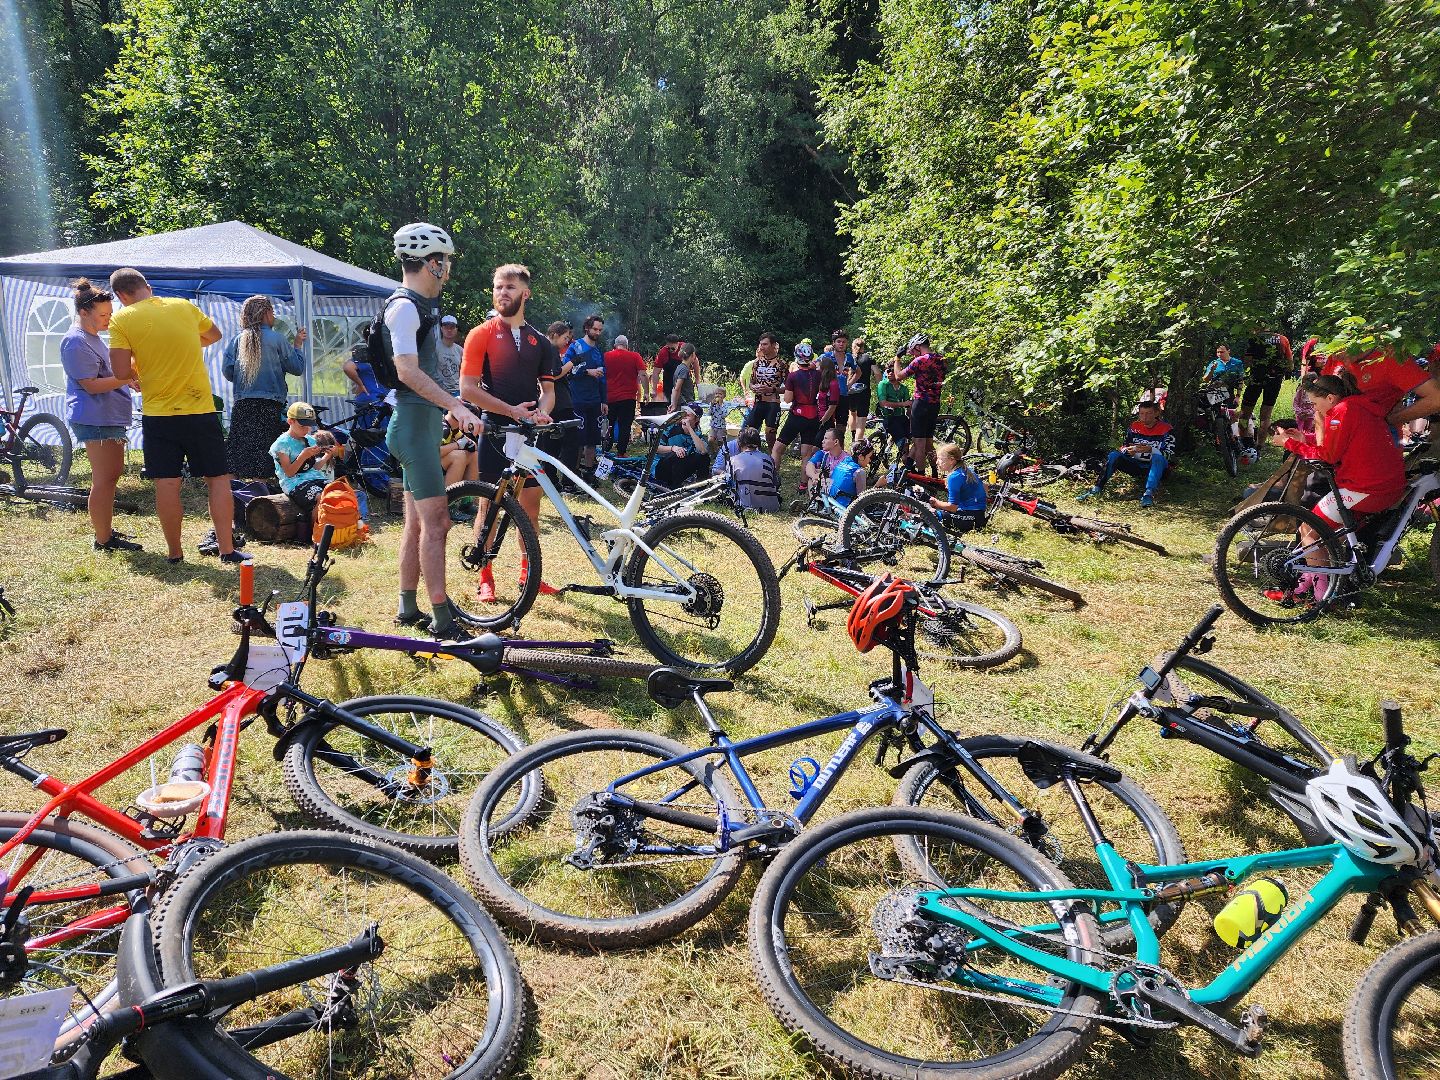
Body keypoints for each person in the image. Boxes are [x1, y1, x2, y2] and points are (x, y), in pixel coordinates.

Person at [381, 223, 485, 637]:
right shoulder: (405, 308)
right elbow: (406, 371)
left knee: (417, 524)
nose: (449, 269)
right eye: (446, 261)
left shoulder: (422, 307)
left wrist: (448, 408)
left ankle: (407, 608)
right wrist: (454, 405)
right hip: (411, 427)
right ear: (432, 263)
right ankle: (442, 619)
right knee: (438, 523)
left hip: (421, 426)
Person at [107, 267, 249, 565]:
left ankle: (174, 553)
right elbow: (214, 335)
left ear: (121, 296)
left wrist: (139, 361)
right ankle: (226, 550)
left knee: (167, 483)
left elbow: (120, 372)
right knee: (217, 479)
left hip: (159, 414)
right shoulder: (183, 305)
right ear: (147, 286)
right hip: (200, 409)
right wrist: (184, 344)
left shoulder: (122, 319)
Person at [459, 263, 558, 604]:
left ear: (525, 293)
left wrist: (542, 411)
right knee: (488, 507)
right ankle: (485, 576)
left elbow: (548, 391)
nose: (502, 293)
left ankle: (528, 574)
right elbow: (467, 389)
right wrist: (511, 410)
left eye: (510, 287)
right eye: (498, 287)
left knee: (530, 509)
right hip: (495, 431)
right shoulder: (480, 334)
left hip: (528, 433)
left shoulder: (540, 341)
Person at [1266, 373, 1406, 602]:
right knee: (1327, 535)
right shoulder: (1359, 407)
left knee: (1309, 530)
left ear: (1330, 398)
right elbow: (1339, 444)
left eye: (1314, 403)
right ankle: (1308, 586)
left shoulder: (1342, 411)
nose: (1314, 409)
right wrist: (1304, 439)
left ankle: (1319, 597)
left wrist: (1289, 443)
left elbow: (1328, 456)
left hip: (1365, 488)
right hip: (1383, 486)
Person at [59, 278, 140, 553]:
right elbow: (91, 385)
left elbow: (106, 375)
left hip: (106, 416)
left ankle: (105, 531)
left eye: (110, 314)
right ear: (84, 312)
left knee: (109, 477)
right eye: (103, 315)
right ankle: (103, 539)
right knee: (104, 479)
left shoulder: (91, 338)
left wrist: (127, 379)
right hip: (95, 418)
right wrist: (125, 378)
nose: (109, 319)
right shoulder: (75, 341)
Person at [222, 294, 306, 480]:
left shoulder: (238, 340)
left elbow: (228, 371)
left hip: (244, 403)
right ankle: (258, 492)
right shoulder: (277, 339)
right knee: (264, 452)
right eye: (273, 312)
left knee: (237, 451)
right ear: (266, 313)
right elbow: (297, 368)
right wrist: (297, 346)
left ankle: (232, 492)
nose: (274, 316)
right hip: (270, 405)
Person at [1078, 399, 1174, 508]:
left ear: (1156, 413)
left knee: (1158, 458)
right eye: (1142, 414)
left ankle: (1148, 494)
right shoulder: (1134, 427)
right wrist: (1128, 451)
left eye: (1149, 413)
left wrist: (1151, 449)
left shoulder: (1166, 429)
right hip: (1136, 464)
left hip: (1157, 467)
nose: (1145, 417)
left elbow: (1169, 455)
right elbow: (1124, 446)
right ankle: (1097, 488)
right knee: (1114, 455)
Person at [270, 402, 336, 514]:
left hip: (315, 478)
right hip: (293, 483)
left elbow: (313, 467)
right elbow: (289, 473)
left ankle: (337, 523)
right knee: (321, 497)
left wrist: (327, 456)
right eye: (302, 426)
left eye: (309, 426)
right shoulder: (282, 444)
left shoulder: (310, 440)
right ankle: (316, 525)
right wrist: (303, 456)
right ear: (290, 421)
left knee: (338, 492)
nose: (306, 429)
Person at [893, 333, 947, 472]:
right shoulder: (941, 359)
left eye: (913, 350)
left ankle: (921, 477)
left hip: (921, 403)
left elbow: (898, 376)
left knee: (919, 444)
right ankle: (934, 473)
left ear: (918, 347)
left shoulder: (920, 361)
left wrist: (897, 358)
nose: (912, 353)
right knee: (929, 442)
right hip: (935, 404)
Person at [1238, 329, 1292, 463]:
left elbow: (1248, 361)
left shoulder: (1255, 338)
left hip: (1256, 379)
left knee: (1244, 413)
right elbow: (1290, 363)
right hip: (1274, 380)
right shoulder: (1283, 339)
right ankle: (1259, 447)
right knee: (1266, 416)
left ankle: (1243, 443)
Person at [563, 314, 608, 476]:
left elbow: (603, 378)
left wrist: (604, 400)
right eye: (595, 329)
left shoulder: (598, 351)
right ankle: (573, 474)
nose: (597, 333)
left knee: (593, 439)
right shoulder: (575, 347)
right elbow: (566, 371)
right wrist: (587, 372)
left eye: (600, 330)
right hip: (577, 400)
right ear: (587, 328)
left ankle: (589, 471)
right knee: (578, 439)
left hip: (595, 400)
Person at [772, 342, 823, 472]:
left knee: (777, 449)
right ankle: (803, 482)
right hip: (813, 416)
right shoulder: (818, 374)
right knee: (806, 454)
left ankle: (773, 479)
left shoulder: (793, 376)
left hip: (797, 415)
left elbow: (788, 399)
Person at [544, 321, 581, 490]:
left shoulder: (545, 349)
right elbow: (555, 374)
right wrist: (573, 362)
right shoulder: (551, 348)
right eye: (565, 338)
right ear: (554, 335)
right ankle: (568, 482)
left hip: (553, 403)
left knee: (552, 442)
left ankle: (551, 479)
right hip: (560, 403)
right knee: (571, 442)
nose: (567, 341)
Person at [927, 443, 986, 533]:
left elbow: (952, 507)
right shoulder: (966, 469)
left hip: (972, 519)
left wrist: (936, 502)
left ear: (951, 460)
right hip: (979, 515)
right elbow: (985, 487)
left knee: (931, 514)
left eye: (940, 459)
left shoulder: (954, 477)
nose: (937, 462)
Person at [603, 333, 646, 455]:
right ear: (627, 346)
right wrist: (647, 392)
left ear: (615, 345)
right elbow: (643, 374)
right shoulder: (635, 356)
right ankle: (621, 452)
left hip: (609, 398)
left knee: (609, 424)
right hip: (628, 398)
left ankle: (606, 448)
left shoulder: (606, 356)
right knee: (625, 425)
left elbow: (600, 376)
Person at [724, 426, 780, 511]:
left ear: (739, 443)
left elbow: (728, 484)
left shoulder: (733, 460)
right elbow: (775, 483)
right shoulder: (769, 459)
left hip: (746, 506)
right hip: (772, 507)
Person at [743, 332, 785, 445]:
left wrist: (771, 389)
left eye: (765, 344)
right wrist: (753, 387)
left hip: (773, 403)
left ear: (773, 345)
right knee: (749, 433)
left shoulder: (781, 364)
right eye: (761, 344)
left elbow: (789, 388)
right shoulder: (757, 362)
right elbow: (751, 382)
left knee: (770, 435)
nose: (762, 347)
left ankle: (773, 455)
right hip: (758, 402)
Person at [653, 404, 709, 488]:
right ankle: (674, 488)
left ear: (696, 419)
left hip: (680, 468)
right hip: (661, 468)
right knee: (677, 454)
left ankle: (701, 488)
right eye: (683, 414)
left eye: (688, 415)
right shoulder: (670, 429)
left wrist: (689, 429)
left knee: (704, 457)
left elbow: (703, 451)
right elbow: (655, 448)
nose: (684, 417)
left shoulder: (697, 434)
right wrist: (673, 448)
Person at [828, 438, 874, 509]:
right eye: (870, 457)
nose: (870, 460)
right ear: (861, 457)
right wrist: (877, 486)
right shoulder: (860, 472)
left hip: (830, 503)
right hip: (843, 510)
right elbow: (862, 500)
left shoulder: (843, 461)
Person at [820, 330, 850, 440]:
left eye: (844, 342)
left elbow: (858, 372)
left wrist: (849, 384)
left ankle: (839, 446)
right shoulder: (826, 356)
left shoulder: (849, 357)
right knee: (828, 424)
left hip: (843, 395)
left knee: (841, 425)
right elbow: (814, 367)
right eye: (838, 341)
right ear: (833, 343)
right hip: (829, 395)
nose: (841, 344)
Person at [845, 335, 874, 447]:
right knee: (861, 417)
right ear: (863, 347)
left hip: (850, 390)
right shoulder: (868, 358)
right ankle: (858, 444)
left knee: (852, 413)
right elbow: (877, 373)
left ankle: (853, 437)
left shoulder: (849, 358)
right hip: (864, 390)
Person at [875, 365, 910, 448]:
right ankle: (900, 447)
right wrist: (902, 404)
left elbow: (908, 405)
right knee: (902, 440)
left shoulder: (904, 388)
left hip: (901, 416)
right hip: (887, 416)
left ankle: (901, 449)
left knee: (913, 436)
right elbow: (883, 403)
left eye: (892, 371)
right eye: (888, 371)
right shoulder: (883, 384)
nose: (890, 373)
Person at [805, 426, 847, 494]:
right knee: (812, 475)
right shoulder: (822, 453)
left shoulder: (847, 459)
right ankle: (816, 500)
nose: (822, 441)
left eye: (826, 438)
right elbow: (809, 465)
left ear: (836, 442)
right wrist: (814, 476)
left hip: (840, 488)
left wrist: (822, 475)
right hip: (827, 484)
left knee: (820, 473)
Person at [816, 354, 844, 445]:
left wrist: (823, 421)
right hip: (817, 417)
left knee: (817, 446)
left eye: (818, 367)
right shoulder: (821, 382)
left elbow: (832, 406)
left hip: (826, 420)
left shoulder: (833, 384)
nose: (817, 369)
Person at [435, 315, 464, 397]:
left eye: (452, 327)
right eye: (446, 327)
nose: (449, 330)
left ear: (456, 329)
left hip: (458, 391)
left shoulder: (460, 350)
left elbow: (463, 372)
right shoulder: (434, 347)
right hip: (440, 391)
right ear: (441, 329)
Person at [651, 334, 683, 402]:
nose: (670, 350)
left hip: (684, 384)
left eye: (673, 348)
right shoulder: (663, 352)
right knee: (669, 404)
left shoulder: (685, 348)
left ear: (678, 344)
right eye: (668, 348)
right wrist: (654, 389)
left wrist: (697, 379)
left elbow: (695, 361)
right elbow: (655, 372)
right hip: (669, 384)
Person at [668, 343, 698, 409]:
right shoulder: (684, 369)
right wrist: (674, 405)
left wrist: (673, 403)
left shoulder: (679, 367)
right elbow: (677, 388)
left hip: (682, 404)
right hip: (685, 405)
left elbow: (674, 388)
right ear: (692, 354)